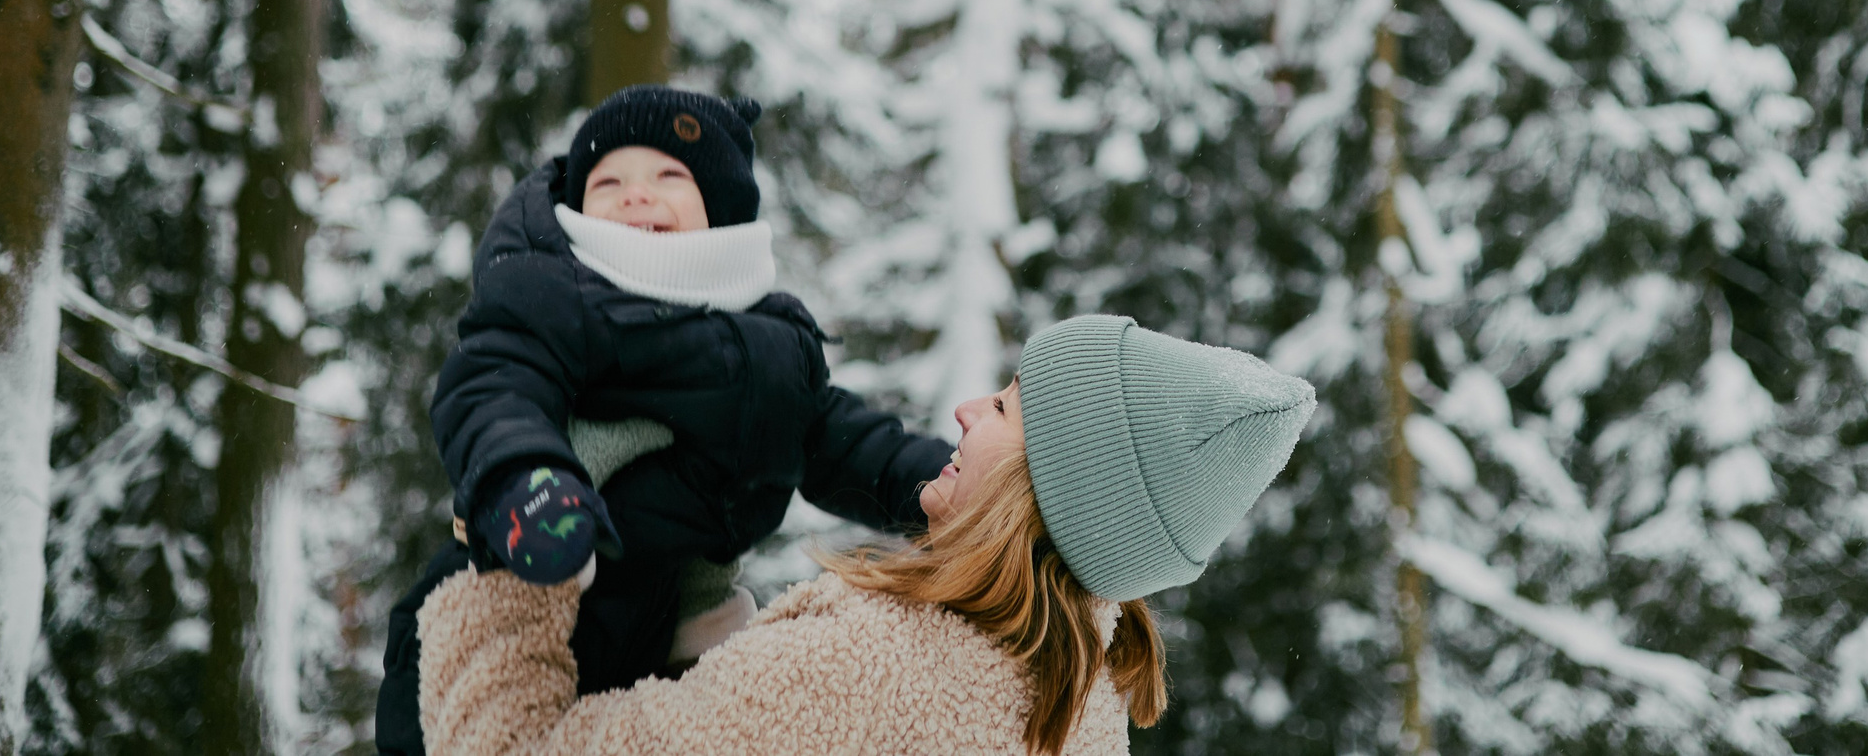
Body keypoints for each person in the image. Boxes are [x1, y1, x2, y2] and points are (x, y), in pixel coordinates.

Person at [418, 314, 1317, 756]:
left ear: (1048, 482)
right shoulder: (1081, 706)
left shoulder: (856, 677)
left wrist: (510, 546)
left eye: (1005, 406)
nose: (966, 411)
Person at [374, 86, 954, 756]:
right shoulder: (549, 293)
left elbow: (852, 443)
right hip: (518, 600)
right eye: (608, 179)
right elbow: (494, 388)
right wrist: (526, 477)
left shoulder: (772, 349)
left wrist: (952, 489)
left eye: (668, 175)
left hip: (669, 653)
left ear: (722, 208)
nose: (634, 193)